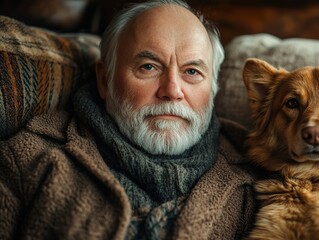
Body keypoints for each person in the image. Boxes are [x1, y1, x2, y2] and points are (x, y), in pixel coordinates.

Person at [0, 0, 259, 239]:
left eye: (192, 71)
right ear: (104, 79)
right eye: (148, 66)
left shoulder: (261, 177)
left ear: (213, 89)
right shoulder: (29, 161)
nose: (171, 90)